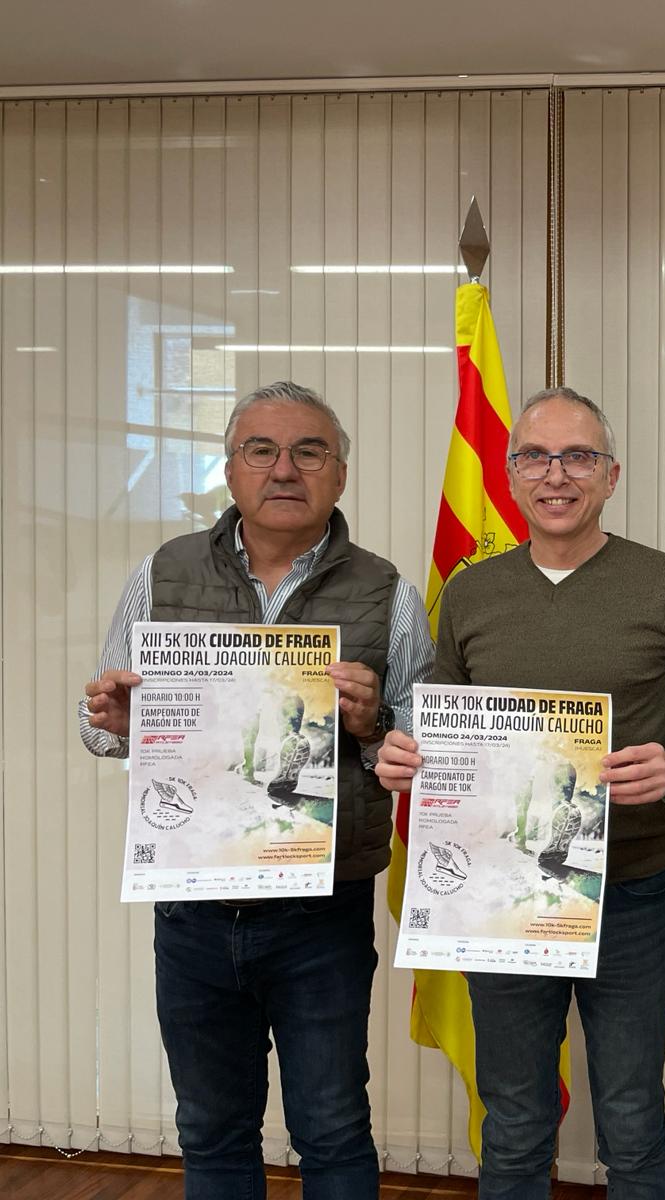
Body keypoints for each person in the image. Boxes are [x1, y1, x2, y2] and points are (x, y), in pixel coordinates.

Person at [80, 380, 434, 1200]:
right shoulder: (162, 573)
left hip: (323, 913)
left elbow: (424, 751)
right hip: (193, 909)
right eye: (261, 450)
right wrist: (117, 721)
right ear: (230, 470)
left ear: (338, 476)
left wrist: (375, 721)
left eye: (309, 451)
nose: (284, 469)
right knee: (211, 1131)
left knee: (335, 1131)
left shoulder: (389, 593)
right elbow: (98, 723)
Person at [375, 386, 665, 1200]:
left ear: (612, 475)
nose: (556, 474)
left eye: (579, 457)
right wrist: (406, 757)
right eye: (535, 455)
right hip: (502, 894)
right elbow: (440, 730)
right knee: (516, 1121)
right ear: (509, 473)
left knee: (632, 1119)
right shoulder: (468, 592)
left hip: (631, 893)